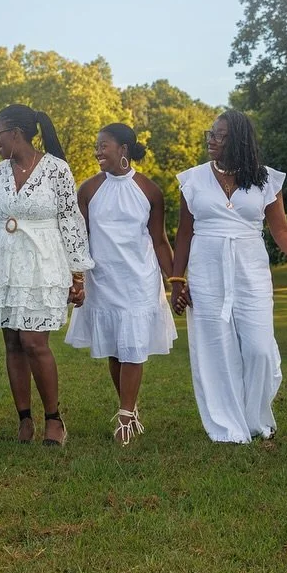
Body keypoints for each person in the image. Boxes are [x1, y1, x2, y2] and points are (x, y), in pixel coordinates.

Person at [169, 111, 287, 444]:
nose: (212, 140)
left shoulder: (265, 180)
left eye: (220, 135)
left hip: (251, 268)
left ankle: (257, 419)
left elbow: (280, 229)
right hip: (207, 268)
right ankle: (227, 426)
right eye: (211, 133)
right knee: (216, 350)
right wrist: (177, 281)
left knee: (259, 348)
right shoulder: (191, 180)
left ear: (239, 140)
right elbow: (184, 232)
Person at [0, 104, 92, 446]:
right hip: (2, 263)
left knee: (34, 342)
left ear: (15, 133)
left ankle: (54, 419)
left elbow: (70, 220)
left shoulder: (56, 170)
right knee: (12, 342)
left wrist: (78, 274)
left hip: (43, 263)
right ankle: (24, 418)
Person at [66, 124, 176, 446]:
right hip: (103, 279)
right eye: (96, 146)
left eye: (103, 145)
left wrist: (177, 280)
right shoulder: (87, 190)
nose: (97, 151)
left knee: (133, 348)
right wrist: (78, 278)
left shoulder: (149, 190)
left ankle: (126, 416)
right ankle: (129, 407)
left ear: (123, 149)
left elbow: (159, 240)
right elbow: (80, 240)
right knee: (115, 348)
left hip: (139, 279)